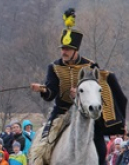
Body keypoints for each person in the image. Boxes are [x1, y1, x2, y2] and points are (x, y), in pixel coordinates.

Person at [30, 8, 127, 165]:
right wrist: (43, 89)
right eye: (63, 48)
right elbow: (51, 93)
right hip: (61, 112)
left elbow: (97, 88)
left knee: (101, 149)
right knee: (42, 145)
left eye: (67, 49)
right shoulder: (54, 67)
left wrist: (81, 97)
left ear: (76, 50)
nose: (64, 51)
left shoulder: (90, 66)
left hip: (86, 113)